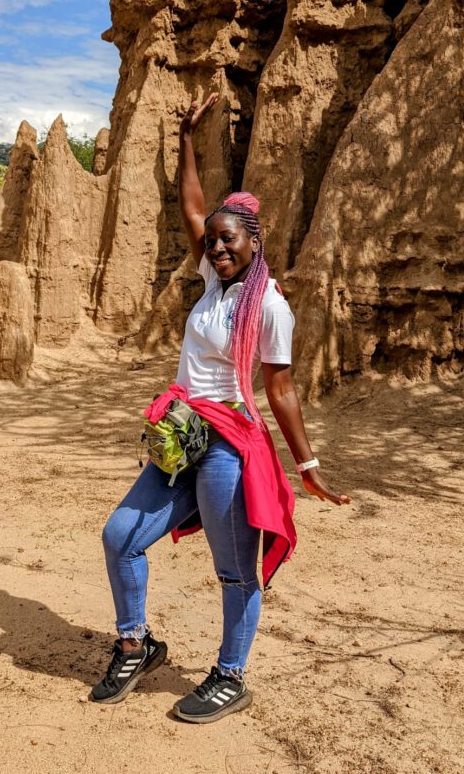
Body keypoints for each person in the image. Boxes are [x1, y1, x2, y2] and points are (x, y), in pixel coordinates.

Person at [91, 93, 350, 723]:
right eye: (211, 243)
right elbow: (192, 206)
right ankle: (136, 643)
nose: (215, 249)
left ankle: (230, 675)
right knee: (120, 536)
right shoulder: (212, 281)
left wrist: (307, 466)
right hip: (182, 435)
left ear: (253, 242)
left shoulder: (270, 306)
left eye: (227, 241)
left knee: (235, 572)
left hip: (229, 447)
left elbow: (281, 390)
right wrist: (185, 140)